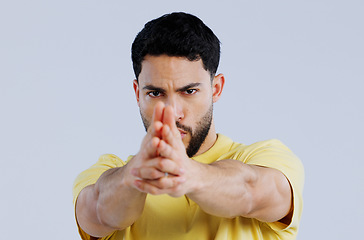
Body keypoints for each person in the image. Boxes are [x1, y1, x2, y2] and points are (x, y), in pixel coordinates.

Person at [72, 12, 304, 240]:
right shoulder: (110, 171)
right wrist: (135, 176)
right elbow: (97, 211)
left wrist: (185, 173)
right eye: (155, 93)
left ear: (216, 89)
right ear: (137, 94)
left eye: (189, 91)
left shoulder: (266, 157)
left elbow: (249, 190)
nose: (173, 113)